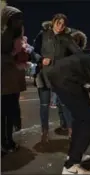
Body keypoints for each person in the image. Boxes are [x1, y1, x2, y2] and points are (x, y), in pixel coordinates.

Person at [32, 14, 81, 142]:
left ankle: (71, 131)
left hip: (60, 76)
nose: (60, 26)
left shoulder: (67, 38)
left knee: (65, 104)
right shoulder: (42, 35)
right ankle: (45, 132)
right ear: (53, 22)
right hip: (43, 75)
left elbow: (77, 54)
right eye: (58, 23)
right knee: (44, 105)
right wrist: (41, 60)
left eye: (63, 24)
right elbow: (33, 52)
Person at [1, 4, 28, 155]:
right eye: (15, 18)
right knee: (3, 114)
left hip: (15, 79)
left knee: (10, 112)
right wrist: (12, 57)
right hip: (4, 79)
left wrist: (24, 55)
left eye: (20, 18)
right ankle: (4, 143)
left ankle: (8, 140)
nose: (19, 21)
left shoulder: (17, 33)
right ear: (8, 18)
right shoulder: (2, 34)